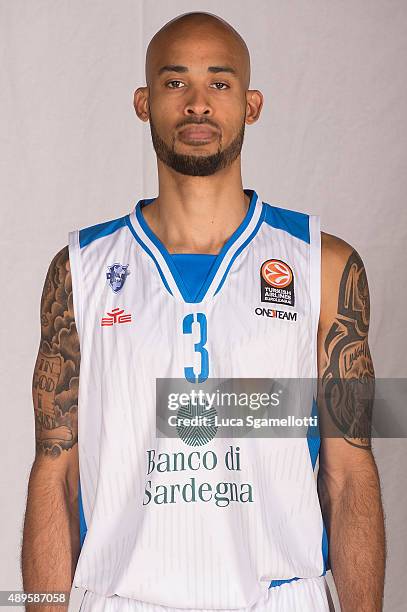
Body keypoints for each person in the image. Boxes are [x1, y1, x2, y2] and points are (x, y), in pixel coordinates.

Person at [21, 11, 385, 612]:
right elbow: (54, 471)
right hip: (120, 598)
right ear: (143, 102)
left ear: (252, 104)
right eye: (174, 83)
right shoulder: (80, 270)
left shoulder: (324, 265)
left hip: (279, 599)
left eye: (219, 83)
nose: (197, 104)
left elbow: (349, 474)